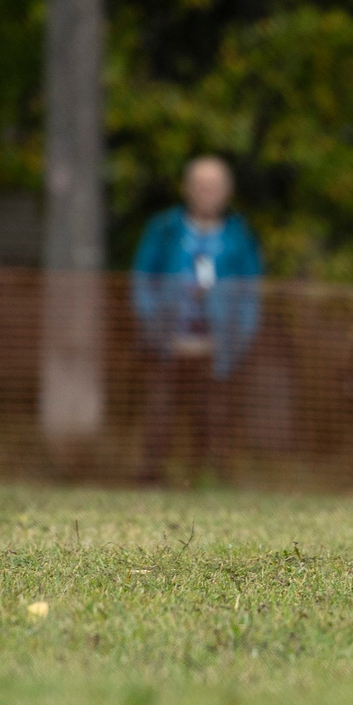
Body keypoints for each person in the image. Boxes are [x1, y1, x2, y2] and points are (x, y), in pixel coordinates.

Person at [132, 155, 263, 486]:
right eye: (201, 185)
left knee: (215, 417)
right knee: (159, 413)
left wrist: (237, 340)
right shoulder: (164, 229)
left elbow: (251, 294)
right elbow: (142, 280)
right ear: (187, 189)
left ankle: (209, 482)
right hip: (168, 343)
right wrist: (153, 327)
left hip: (218, 347)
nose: (207, 193)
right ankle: (151, 479)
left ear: (227, 191)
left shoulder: (239, 234)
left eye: (214, 186)